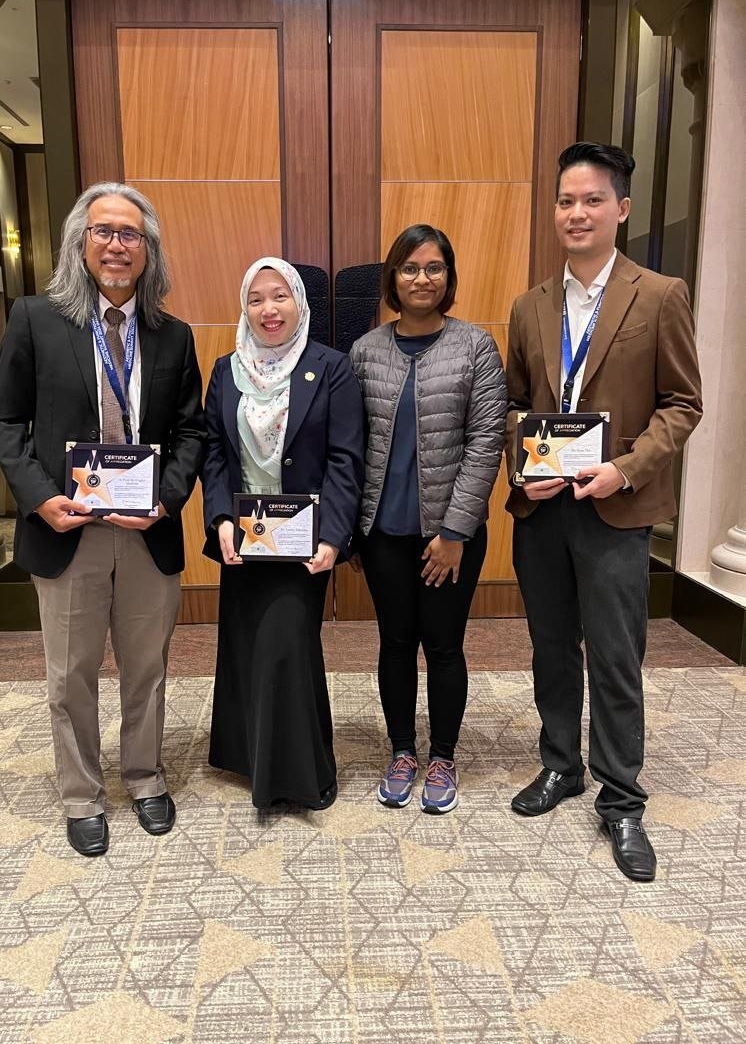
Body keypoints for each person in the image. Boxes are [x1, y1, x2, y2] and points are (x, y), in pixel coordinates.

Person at [0, 183, 206, 857]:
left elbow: (191, 432)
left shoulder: (172, 335)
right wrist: (39, 499)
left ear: (148, 250)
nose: (117, 245)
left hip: (147, 534)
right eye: (104, 231)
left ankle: (144, 778)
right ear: (80, 243)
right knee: (70, 675)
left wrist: (165, 499)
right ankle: (82, 794)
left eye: (130, 234)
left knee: (147, 668)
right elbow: (6, 423)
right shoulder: (35, 318)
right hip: (66, 529)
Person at [505, 142, 702, 881]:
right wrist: (524, 470)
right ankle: (562, 763)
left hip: (617, 507)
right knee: (551, 647)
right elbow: (514, 406)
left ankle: (622, 799)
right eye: (565, 201)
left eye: (592, 200)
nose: (576, 213)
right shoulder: (530, 305)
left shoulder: (660, 295)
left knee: (616, 657)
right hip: (545, 510)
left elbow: (683, 404)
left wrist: (625, 469)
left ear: (621, 209)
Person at [350, 225, 507, 814]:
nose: (422, 278)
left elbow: (486, 442)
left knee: (443, 645)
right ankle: (401, 751)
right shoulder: (366, 351)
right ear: (393, 278)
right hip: (383, 533)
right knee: (394, 642)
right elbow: (352, 444)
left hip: (451, 537)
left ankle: (442, 755)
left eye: (434, 268)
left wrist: (455, 532)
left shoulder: (476, 347)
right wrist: (353, 531)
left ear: (449, 276)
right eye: (410, 268)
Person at [202, 257, 364, 810]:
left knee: (288, 645)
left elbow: (345, 459)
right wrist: (220, 518)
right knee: (245, 644)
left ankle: (298, 774)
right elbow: (214, 452)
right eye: (256, 299)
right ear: (244, 308)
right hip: (244, 537)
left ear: (299, 301)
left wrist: (333, 536)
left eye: (279, 296)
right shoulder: (225, 370)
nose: (268, 309)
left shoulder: (331, 367)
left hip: (303, 540)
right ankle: (249, 757)